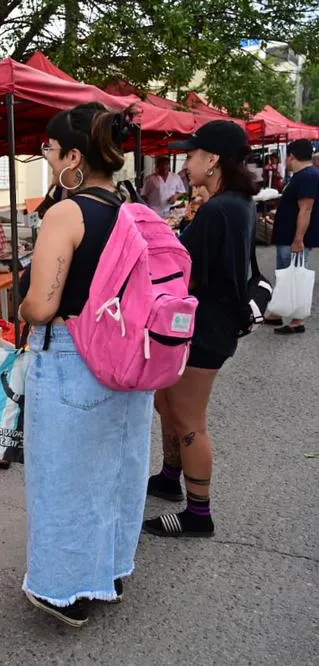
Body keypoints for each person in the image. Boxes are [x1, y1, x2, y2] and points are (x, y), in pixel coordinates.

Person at [18, 103, 152, 628]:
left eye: (49, 150)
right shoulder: (129, 206)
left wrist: (25, 301)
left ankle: (62, 589)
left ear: (74, 155)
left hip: (73, 355)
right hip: (126, 354)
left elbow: (42, 306)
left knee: (63, 478)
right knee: (116, 469)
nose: (47, 159)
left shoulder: (66, 213)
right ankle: (110, 569)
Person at [144, 121, 258, 539]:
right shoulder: (235, 203)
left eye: (191, 156)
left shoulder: (219, 210)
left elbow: (185, 276)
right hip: (209, 324)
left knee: (190, 419)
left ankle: (198, 514)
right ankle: (169, 476)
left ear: (212, 160)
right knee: (168, 404)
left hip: (204, 329)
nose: (185, 163)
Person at [263, 139, 319, 334]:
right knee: (285, 275)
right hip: (288, 236)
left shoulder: (307, 176)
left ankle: (297, 319)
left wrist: (298, 239)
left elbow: (306, 209)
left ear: (292, 156)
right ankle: (278, 313)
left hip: (293, 238)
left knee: (293, 275)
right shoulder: (302, 176)